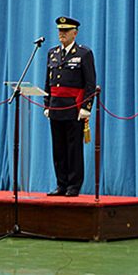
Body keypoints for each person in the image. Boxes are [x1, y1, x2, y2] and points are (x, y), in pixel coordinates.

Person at [43, 16, 96, 197]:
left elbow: (90, 83)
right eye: (60, 31)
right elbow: (48, 83)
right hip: (56, 108)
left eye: (65, 31)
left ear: (75, 33)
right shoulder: (52, 53)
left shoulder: (84, 54)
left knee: (73, 149)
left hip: (74, 109)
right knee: (58, 149)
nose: (61, 34)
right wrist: (47, 104)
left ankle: (73, 186)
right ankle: (61, 184)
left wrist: (86, 107)